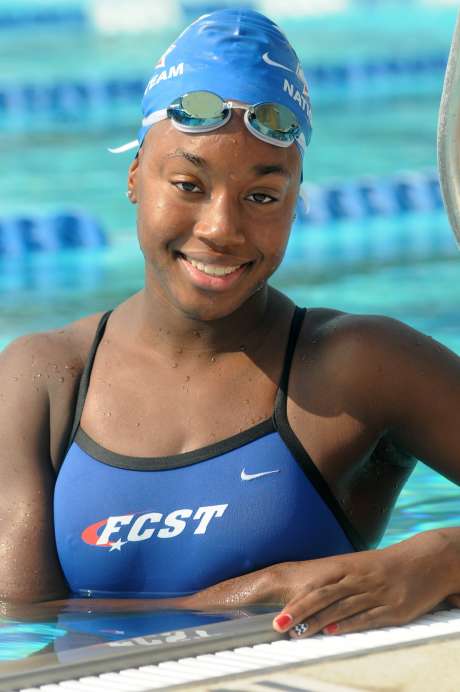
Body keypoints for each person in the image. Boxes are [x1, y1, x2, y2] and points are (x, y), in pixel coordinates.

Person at [1, 8, 460, 641]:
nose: (221, 228)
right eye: (188, 184)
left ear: (297, 203)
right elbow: (21, 620)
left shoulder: (360, 367)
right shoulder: (44, 378)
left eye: (262, 196)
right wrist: (239, 599)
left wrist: (438, 555)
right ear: (134, 177)